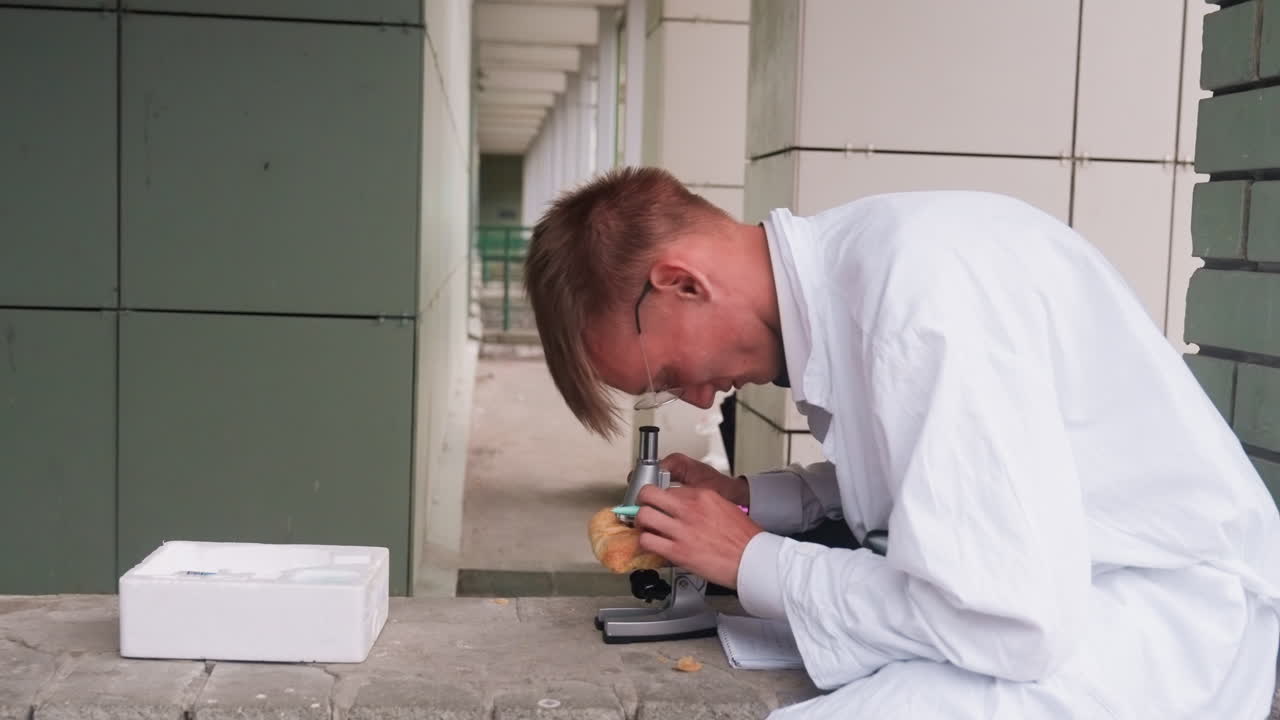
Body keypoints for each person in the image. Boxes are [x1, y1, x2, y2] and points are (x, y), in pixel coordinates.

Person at [522, 166, 1280, 718]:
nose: (695, 395)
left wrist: (753, 558)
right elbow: (923, 472)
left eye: (667, 371)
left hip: (1158, 620)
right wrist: (758, 501)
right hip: (1077, 594)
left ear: (682, 283)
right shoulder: (859, 273)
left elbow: (1002, 620)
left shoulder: (917, 300)